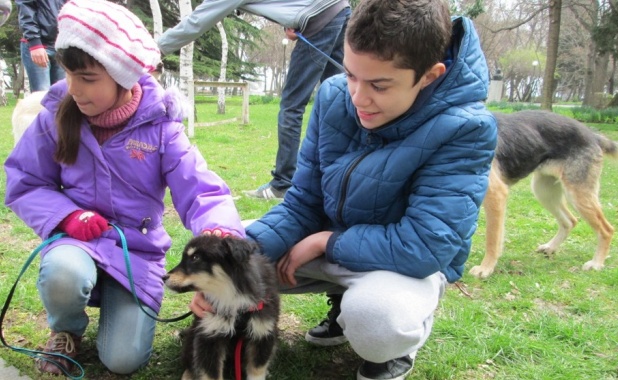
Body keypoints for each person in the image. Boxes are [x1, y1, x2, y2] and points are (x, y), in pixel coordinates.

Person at [190, 0, 497, 378]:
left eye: (379, 85)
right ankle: (340, 306)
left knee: (377, 320)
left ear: (430, 76)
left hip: (401, 265)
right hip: (329, 242)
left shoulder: (467, 128)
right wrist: (225, 270)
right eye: (351, 74)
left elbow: (426, 245)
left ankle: (395, 346)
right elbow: (303, 201)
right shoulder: (334, 95)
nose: (358, 97)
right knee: (237, 246)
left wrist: (324, 242)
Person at [4, 0, 245, 376]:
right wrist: (67, 216)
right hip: (77, 241)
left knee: (123, 360)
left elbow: (202, 191)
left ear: (123, 74)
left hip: (137, 255)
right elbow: (25, 181)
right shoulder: (55, 116)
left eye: (87, 78)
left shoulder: (161, 127)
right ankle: (66, 328)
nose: (74, 89)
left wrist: (220, 230)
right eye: (69, 75)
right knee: (63, 272)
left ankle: (118, 317)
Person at [157, 0, 351, 200]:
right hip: (338, 8)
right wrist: (294, 19)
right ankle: (337, 178)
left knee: (292, 107)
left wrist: (154, 49)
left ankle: (283, 183)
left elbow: (196, 23)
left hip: (319, 17)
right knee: (337, 98)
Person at [16, 0, 68, 92]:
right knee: (41, 96)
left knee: (62, 96)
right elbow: (26, 10)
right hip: (39, 45)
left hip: (62, 45)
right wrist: (35, 43)